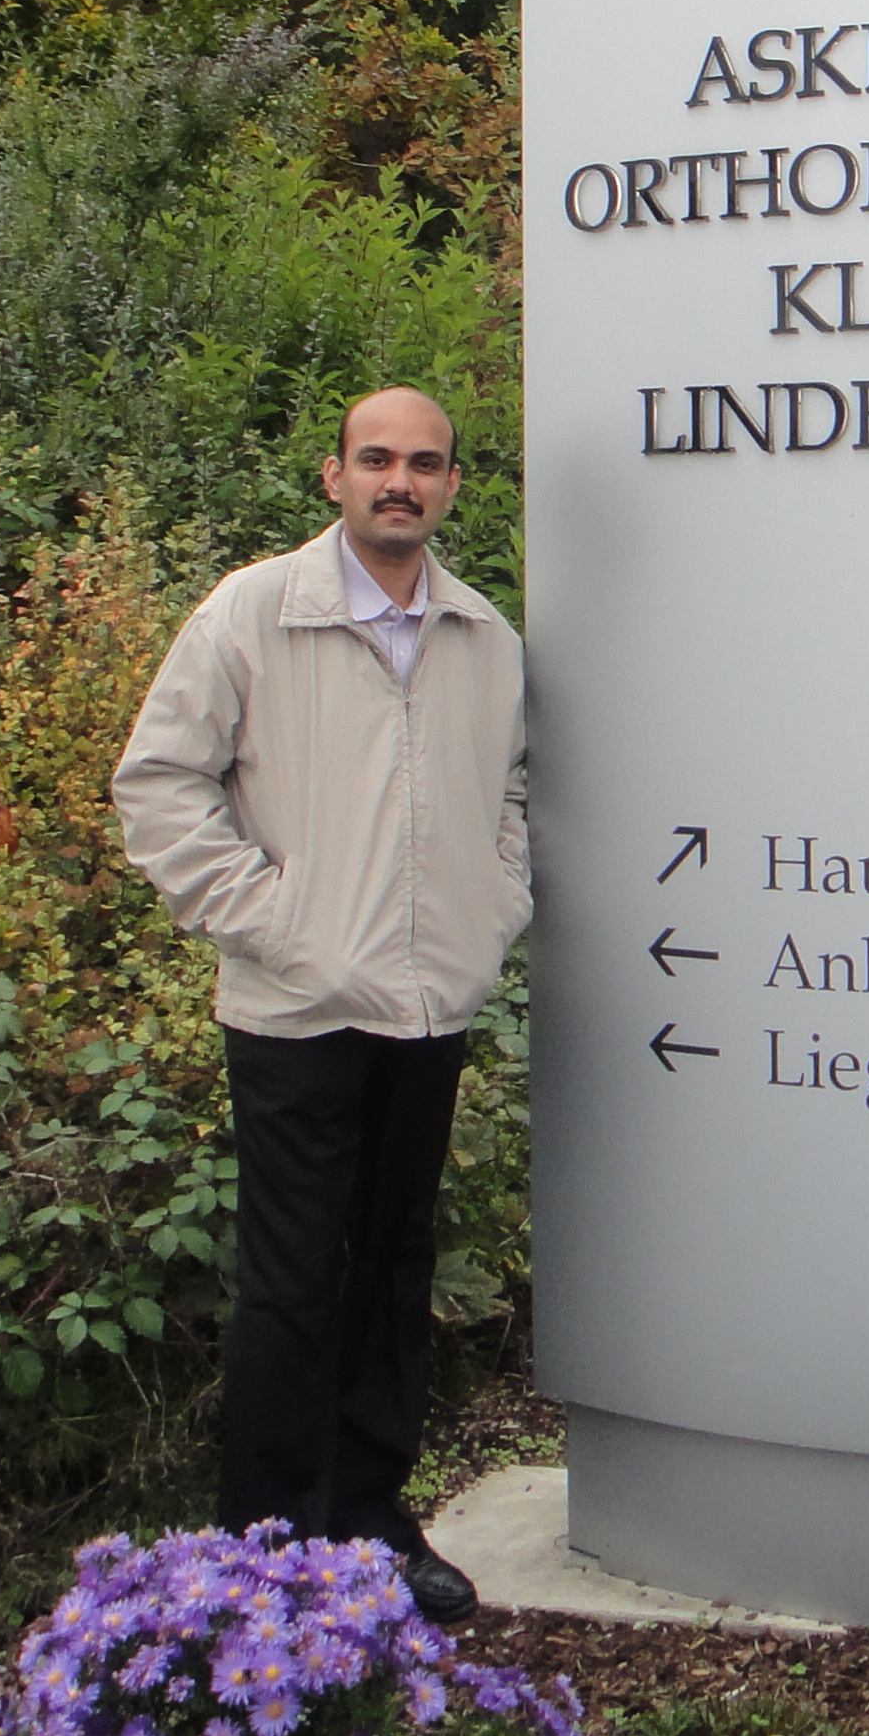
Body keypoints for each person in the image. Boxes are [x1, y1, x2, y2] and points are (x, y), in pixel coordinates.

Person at [112, 386, 528, 1622]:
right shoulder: (254, 613)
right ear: (334, 476)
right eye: (377, 459)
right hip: (296, 1011)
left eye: (425, 464)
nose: (402, 481)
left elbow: (509, 792)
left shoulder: (483, 637)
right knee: (292, 1282)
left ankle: (374, 1527)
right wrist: (275, 922)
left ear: (453, 486)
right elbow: (160, 784)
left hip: (428, 1006)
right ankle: (272, 1556)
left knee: (395, 1269)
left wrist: (492, 904)